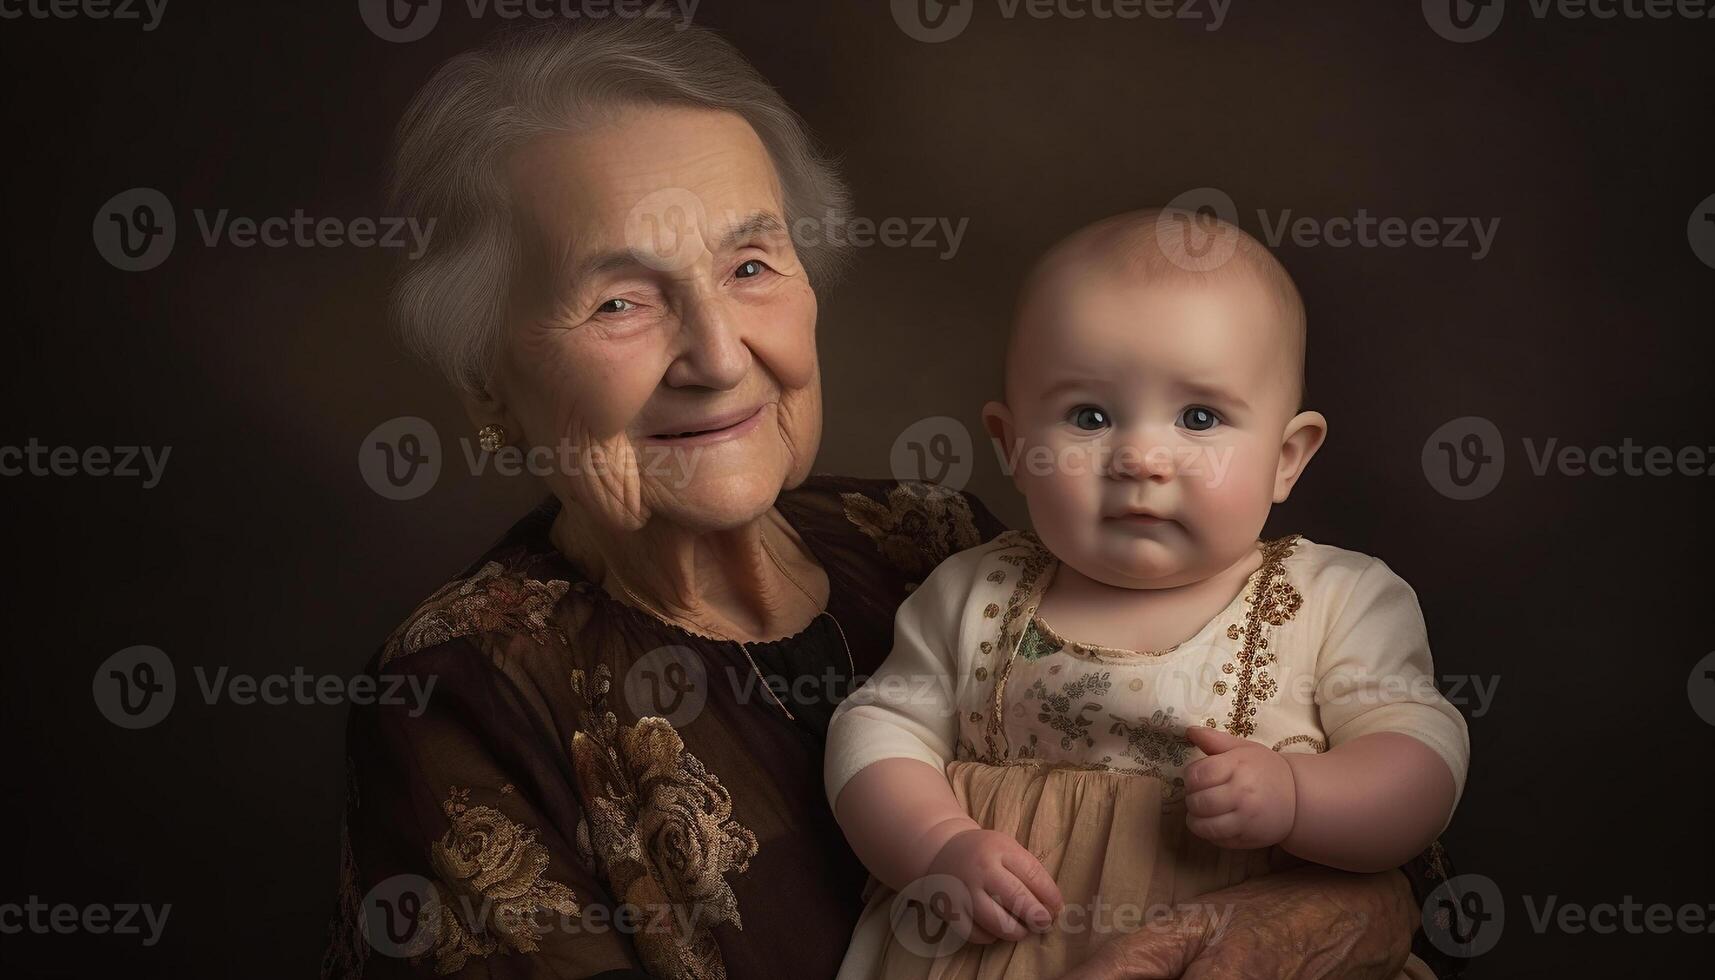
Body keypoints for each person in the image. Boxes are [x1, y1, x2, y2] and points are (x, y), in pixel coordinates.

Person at [322, 18, 1454, 980]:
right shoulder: (463, 689)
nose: (717, 354)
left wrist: (1327, 905)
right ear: (491, 384)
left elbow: (1381, 842)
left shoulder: (927, 535)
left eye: (750, 266)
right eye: (619, 300)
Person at [826, 211, 1469, 979]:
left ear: (1286, 457)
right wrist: (934, 844)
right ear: (1012, 448)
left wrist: (1300, 797)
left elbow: (1420, 760)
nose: (1139, 457)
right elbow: (877, 734)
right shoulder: (974, 591)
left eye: (1199, 417)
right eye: (1088, 417)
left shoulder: (1335, 600)